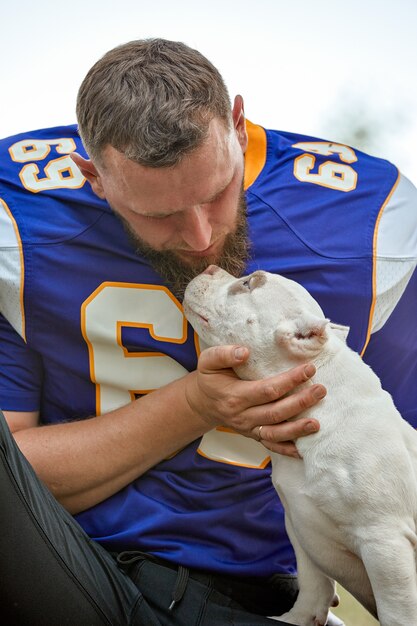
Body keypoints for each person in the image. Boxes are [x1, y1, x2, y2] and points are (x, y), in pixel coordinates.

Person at [0, 38, 416, 625]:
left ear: (239, 127)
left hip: (263, 592)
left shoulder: (371, 222)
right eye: (159, 214)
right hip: (71, 570)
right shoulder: (16, 216)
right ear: (94, 176)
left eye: (218, 193)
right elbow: (12, 475)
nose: (200, 237)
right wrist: (195, 403)